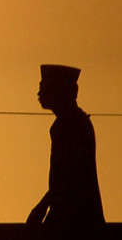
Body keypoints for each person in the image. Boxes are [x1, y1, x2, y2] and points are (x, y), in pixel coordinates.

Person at [27, 64, 105, 225]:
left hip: (75, 215)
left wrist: (42, 207)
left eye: (44, 87)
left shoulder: (69, 125)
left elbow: (68, 178)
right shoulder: (72, 122)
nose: (39, 93)